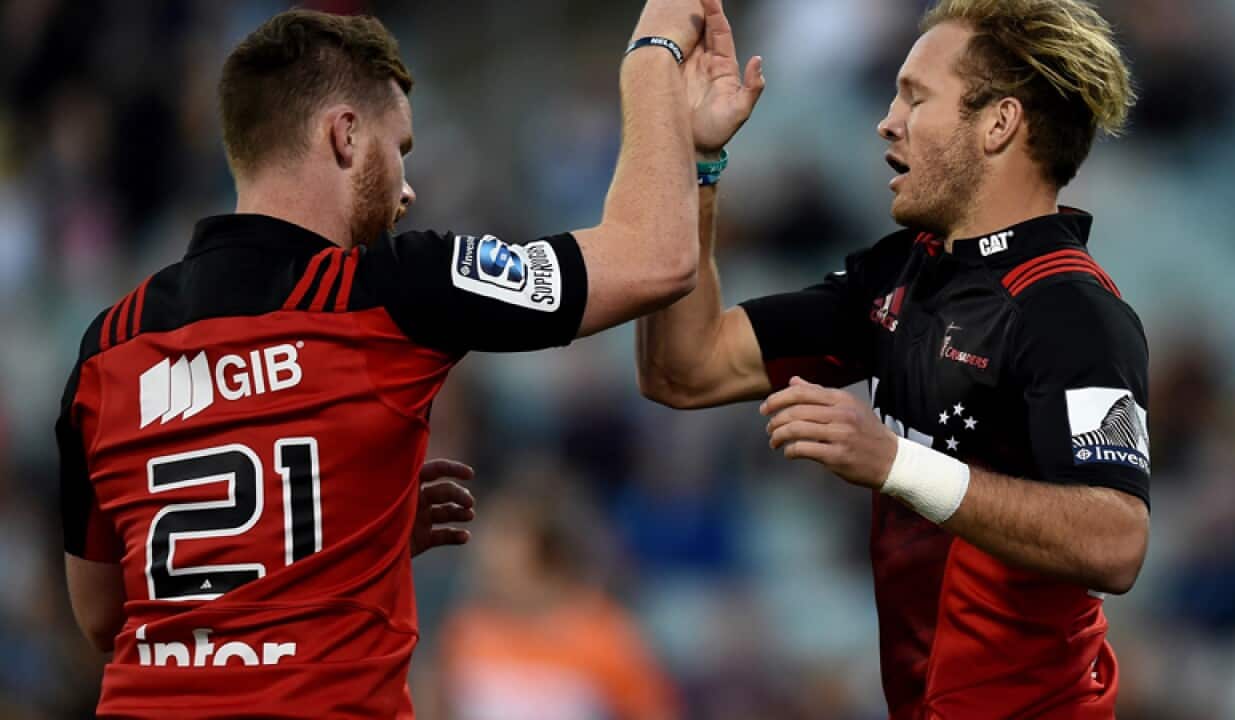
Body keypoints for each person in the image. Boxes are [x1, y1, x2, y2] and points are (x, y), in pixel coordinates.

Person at [55, 1, 719, 716]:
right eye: (398, 147)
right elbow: (656, 257)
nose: (407, 188)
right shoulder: (390, 289)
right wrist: (654, 53)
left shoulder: (108, 346)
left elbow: (103, 615)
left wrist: (341, 547)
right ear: (344, 135)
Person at [638, 0, 1149, 717]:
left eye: (916, 95)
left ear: (998, 123)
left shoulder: (1072, 310)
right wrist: (696, 161)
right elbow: (682, 368)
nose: (888, 119)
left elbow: (1117, 540)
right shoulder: (900, 275)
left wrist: (893, 463)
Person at [435, 482, 680, 720]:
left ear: (552, 554)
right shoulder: (466, 632)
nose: (486, 553)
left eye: (506, 537)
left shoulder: (606, 636)